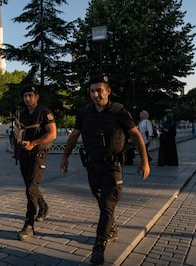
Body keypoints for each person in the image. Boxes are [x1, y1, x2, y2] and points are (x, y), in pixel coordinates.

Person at [59, 74, 150, 265]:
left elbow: (135, 134)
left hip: (113, 165)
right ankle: (112, 226)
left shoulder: (119, 112)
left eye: (99, 90)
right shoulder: (85, 112)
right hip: (92, 165)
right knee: (101, 199)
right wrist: (65, 157)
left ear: (108, 91)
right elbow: (74, 135)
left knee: (108, 203)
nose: (95, 94)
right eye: (92, 91)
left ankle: (98, 247)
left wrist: (144, 161)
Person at [15, 85, 57, 241]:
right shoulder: (23, 113)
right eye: (25, 95)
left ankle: (29, 224)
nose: (27, 98)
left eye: (30, 95)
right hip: (23, 154)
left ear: (37, 96)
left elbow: (52, 133)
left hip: (38, 154)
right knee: (30, 187)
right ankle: (44, 207)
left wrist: (33, 143)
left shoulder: (44, 113)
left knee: (31, 189)